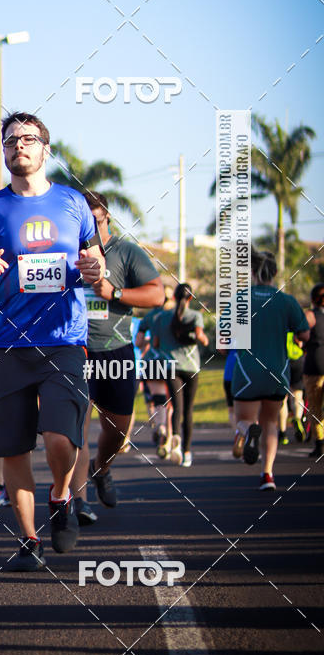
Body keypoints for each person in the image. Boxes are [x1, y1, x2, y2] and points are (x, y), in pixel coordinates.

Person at [0, 112, 105, 570]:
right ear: (3, 152)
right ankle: (28, 539)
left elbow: (97, 264)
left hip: (63, 339)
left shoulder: (73, 204)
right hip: (6, 345)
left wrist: (95, 271)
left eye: (27, 138)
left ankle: (61, 493)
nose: (18, 145)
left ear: (46, 147)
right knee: (14, 446)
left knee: (61, 438)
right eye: (9, 140)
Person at [70, 191, 163, 523]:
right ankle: (78, 501)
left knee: (117, 428)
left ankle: (102, 468)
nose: (87, 228)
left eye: (93, 220)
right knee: (76, 429)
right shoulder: (65, 252)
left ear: (105, 216)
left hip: (116, 350)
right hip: (73, 350)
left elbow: (157, 293)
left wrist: (117, 293)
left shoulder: (125, 252)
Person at [231, 249, 309, 489]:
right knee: (272, 424)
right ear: (275, 272)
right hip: (278, 372)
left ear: (252, 272)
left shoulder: (241, 298)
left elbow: (224, 344)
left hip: (247, 373)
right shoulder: (287, 301)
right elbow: (304, 333)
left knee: (244, 419)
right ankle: (268, 475)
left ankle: (248, 430)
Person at [151, 283, 209, 466]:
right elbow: (201, 338)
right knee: (188, 410)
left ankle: (174, 440)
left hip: (171, 366)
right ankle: (187, 451)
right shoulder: (195, 316)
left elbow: (156, 344)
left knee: (176, 407)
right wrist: (202, 340)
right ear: (190, 298)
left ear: (174, 297)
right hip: (191, 366)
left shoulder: (161, 318)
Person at [135, 285, 175, 445]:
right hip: (171, 360)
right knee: (171, 403)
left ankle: (160, 426)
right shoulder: (174, 315)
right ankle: (170, 436)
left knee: (158, 400)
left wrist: (149, 341)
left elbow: (138, 342)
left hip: (151, 360)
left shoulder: (149, 316)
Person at [304, 283, 324, 458]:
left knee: (315, 407)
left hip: (314, 365)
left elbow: (300, 336)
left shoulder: (310, 316)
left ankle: (320, 444)